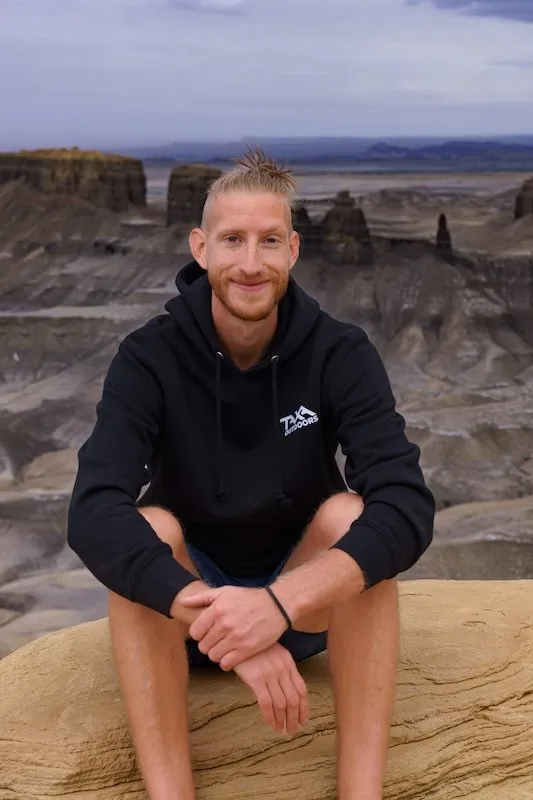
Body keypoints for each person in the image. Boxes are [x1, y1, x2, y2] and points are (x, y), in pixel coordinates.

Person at [67, 147, 435, 800]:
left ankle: (361, 792)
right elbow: (93, 510)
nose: (250, 263)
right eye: (232, 240)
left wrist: (276, 607)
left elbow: (406, 504)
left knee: (352, 515)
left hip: (302, 604)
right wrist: (228, 624)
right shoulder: (149, 357)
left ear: (292, 250)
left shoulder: (338, 351)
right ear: (200, 247)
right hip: (182, 614)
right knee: (148, 527)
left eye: (268, 241)